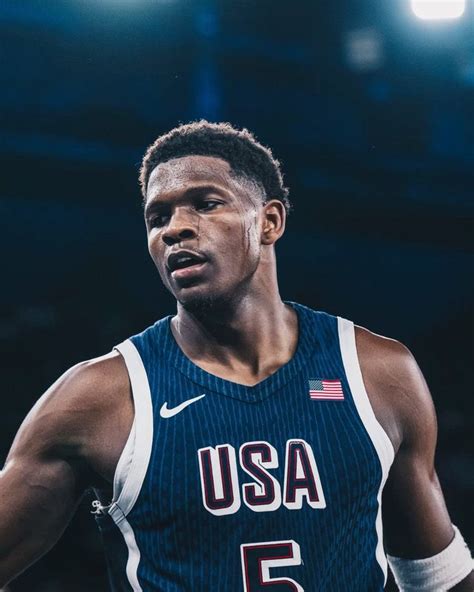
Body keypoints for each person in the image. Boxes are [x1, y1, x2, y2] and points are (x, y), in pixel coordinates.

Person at [0, 121, 472, 592]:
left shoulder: (378, 373)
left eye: (206, 204)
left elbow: (437, 577)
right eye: (157, 217)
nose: (175, 229)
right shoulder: (99, 398)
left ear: (270, 222)